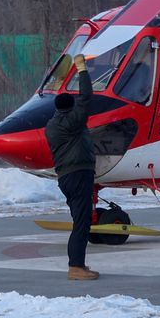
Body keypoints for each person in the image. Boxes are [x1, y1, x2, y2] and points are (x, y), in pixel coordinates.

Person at [45, 53, 99, 281]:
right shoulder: (72, 121)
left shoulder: (52, 125)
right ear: (70, 107)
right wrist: (82, 69)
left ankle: (79, 265)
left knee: (81, 220)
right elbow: (87, 96)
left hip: (67, 177)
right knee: (81, 222)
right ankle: (75, 266)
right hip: (78, 176)